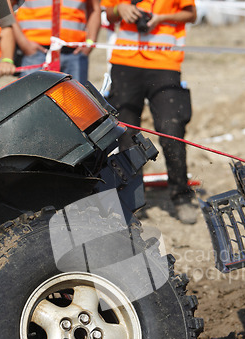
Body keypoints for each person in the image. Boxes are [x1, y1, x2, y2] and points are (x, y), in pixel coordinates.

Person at [103, 0, 198, 224]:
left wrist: (162, 19)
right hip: (125, 62)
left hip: (165, 64)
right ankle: (132, 200)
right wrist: (120, 9)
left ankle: (181, 197)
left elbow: (191, 14)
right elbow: (109, 13)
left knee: (171, 129)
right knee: (125, 133)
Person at [13, 0, 101, 83]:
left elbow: (94, 8)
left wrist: (90, 42)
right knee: (33, 97)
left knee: (74, 98)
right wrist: (23, 42)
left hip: (74, 53)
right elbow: (7, 5)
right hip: (35, 51)